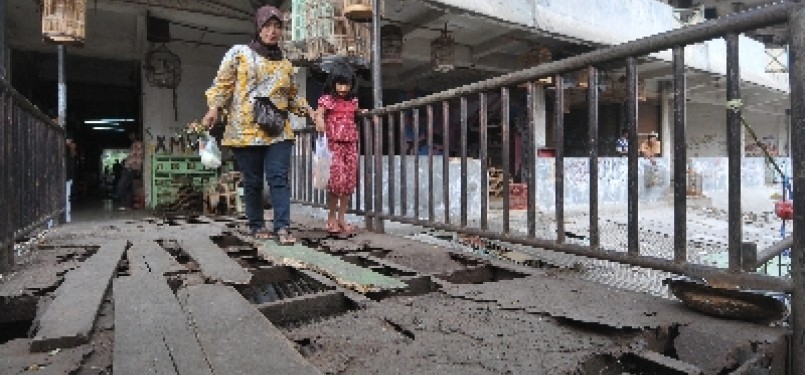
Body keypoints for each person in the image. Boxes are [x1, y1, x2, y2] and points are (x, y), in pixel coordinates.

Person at [202, 5, 318, 244]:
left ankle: (283, 227)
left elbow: (291, 95)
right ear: (258, 27)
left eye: (277, 27)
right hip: (245, 130)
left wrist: (310, 112)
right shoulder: (239, 53)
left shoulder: (285, 63)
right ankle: (256, 225)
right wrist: (214, 107)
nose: (272, 32)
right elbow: (222, 85)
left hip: (277, 129)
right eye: (267, 26)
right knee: (253, 181)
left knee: (278, 177)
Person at [314, 63, 365, 235]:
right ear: (332, 83)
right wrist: (320, 120)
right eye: (339, 84)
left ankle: (342, 218)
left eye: (346, 84)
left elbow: (357, 112)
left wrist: (363, 113)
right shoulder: (327, 100)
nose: (343, 88)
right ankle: (331, 218)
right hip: (333, 145)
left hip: (350, 144)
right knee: (336, 182)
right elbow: (319, 113)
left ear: (352, 85)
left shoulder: (353, 102)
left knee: (349, 182)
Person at [116, 131, 143, 210]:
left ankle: (124, 203)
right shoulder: (134, 144)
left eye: (131, 135)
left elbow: (136, 157)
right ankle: (128, 205)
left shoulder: (137, 144)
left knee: (122, 185)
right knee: (129, 187)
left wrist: (130, 166)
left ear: (135, 136)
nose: (130, 137)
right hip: (130, 168)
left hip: (129, 168)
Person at [64, 132, 77, 222]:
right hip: (59, 175)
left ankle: (66, 217)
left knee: (66, 197)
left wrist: (71, 148)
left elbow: (73, 155)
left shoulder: (71, 149)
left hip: (67, 176)